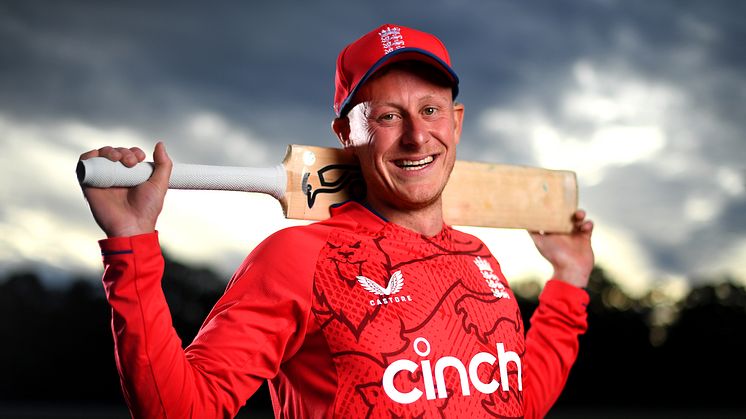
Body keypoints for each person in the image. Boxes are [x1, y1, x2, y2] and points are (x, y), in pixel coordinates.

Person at [79, 24, 594, 419]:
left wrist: (569, 282)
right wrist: (132, 244)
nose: (417, 136)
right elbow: (182, 410)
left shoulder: (479, 260)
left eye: (431, 110)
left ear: (456, 123)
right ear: (346, 133)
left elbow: (515, 403)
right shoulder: (297, 259)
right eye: (387, 117)